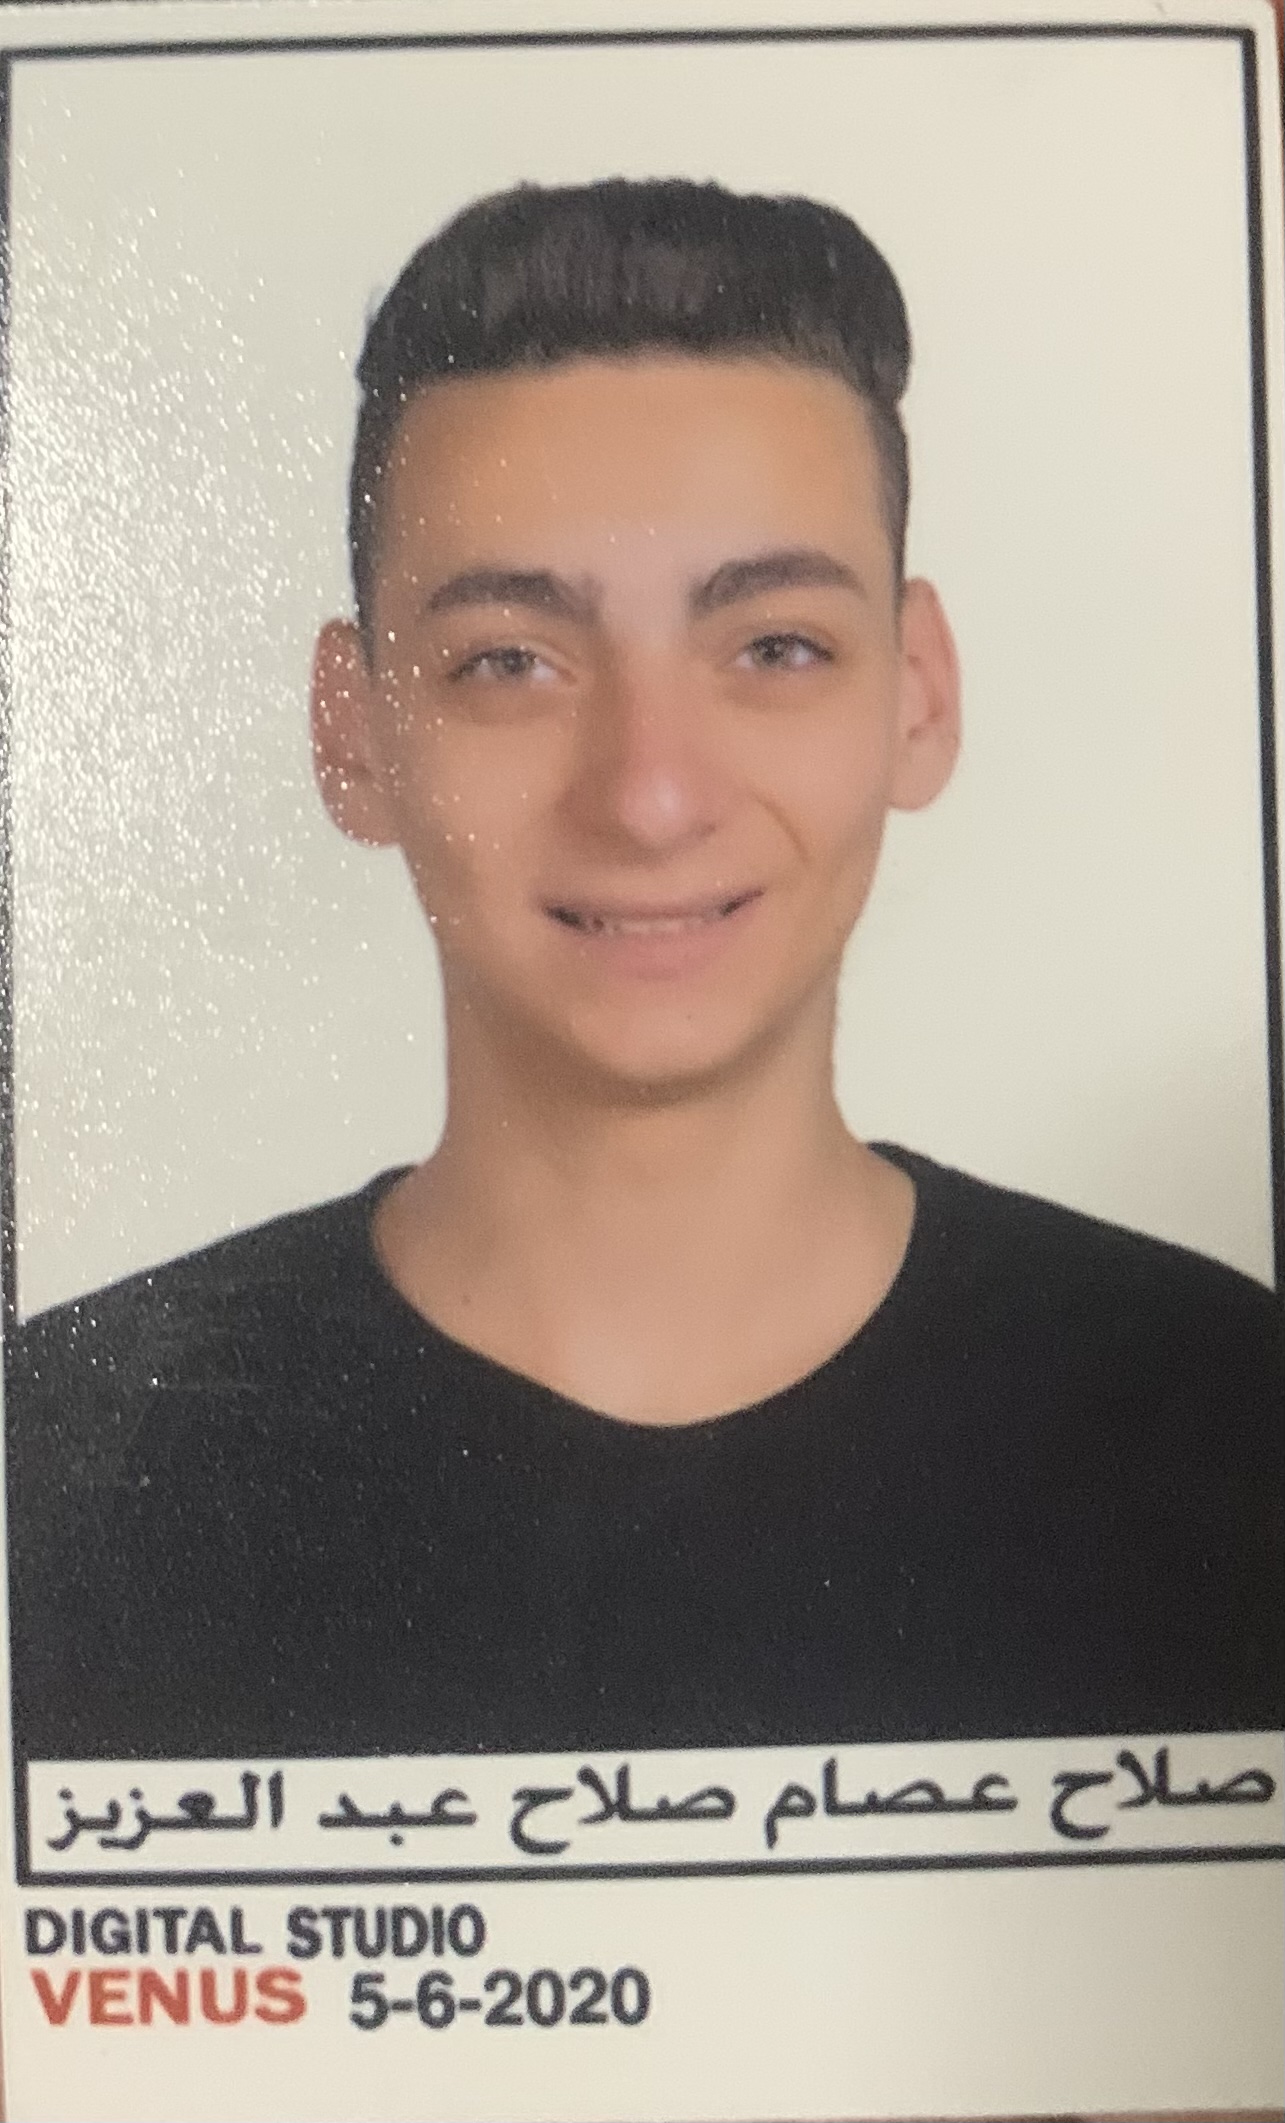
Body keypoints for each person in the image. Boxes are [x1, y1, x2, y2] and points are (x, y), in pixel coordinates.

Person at [5, 179, 1281, 1764]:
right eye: (508, 662)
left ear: (917, 693)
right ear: (354, 731)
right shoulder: (54, 1473)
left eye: (775, 648)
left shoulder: (1229, 1420)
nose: (650, 795)